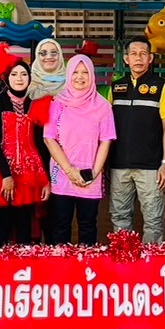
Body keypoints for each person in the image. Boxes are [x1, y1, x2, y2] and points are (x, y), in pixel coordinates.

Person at [108, 36, 165, 243]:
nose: (138, 58)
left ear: (150, 58)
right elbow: (107, 128)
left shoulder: (162, 86)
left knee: (154, 221)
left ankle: (152, 260)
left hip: (151, 167)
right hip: (119, 165)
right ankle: (123, 257)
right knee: (120, 217)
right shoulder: (115, 87)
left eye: (143, 54)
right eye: (134, 54)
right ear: (126, 58)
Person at [44, 54, 117, 246]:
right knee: (60, 226)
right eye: (75, 72)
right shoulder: (58, 103)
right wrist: (69, 171)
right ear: (69, 74)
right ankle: (61, 264)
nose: (80, 77)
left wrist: (93, 173)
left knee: (88, 226)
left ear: (92, 75)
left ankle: (86, 264)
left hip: (90, 176)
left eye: (85, 72)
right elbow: (49, 138)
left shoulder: (103, 106)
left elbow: (106, 141)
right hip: (62, 174)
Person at [0, 49, 50, 247]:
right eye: (14, 74)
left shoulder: (36, 104)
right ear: (7, 78)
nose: (19, 78)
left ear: (30, 78)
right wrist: (6, 175)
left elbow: (41, 144)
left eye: (23, 74)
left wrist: (45, 179)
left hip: (30, 175)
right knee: (2, 226)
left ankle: (22, 265)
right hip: (3, 174)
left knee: (25, 227)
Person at [28, 37, 67, 102]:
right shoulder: (28, 81)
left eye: (53, 52)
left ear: (60, 55)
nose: (49, 57)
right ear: (37, 56)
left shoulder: (72, 81)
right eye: (43, 53)